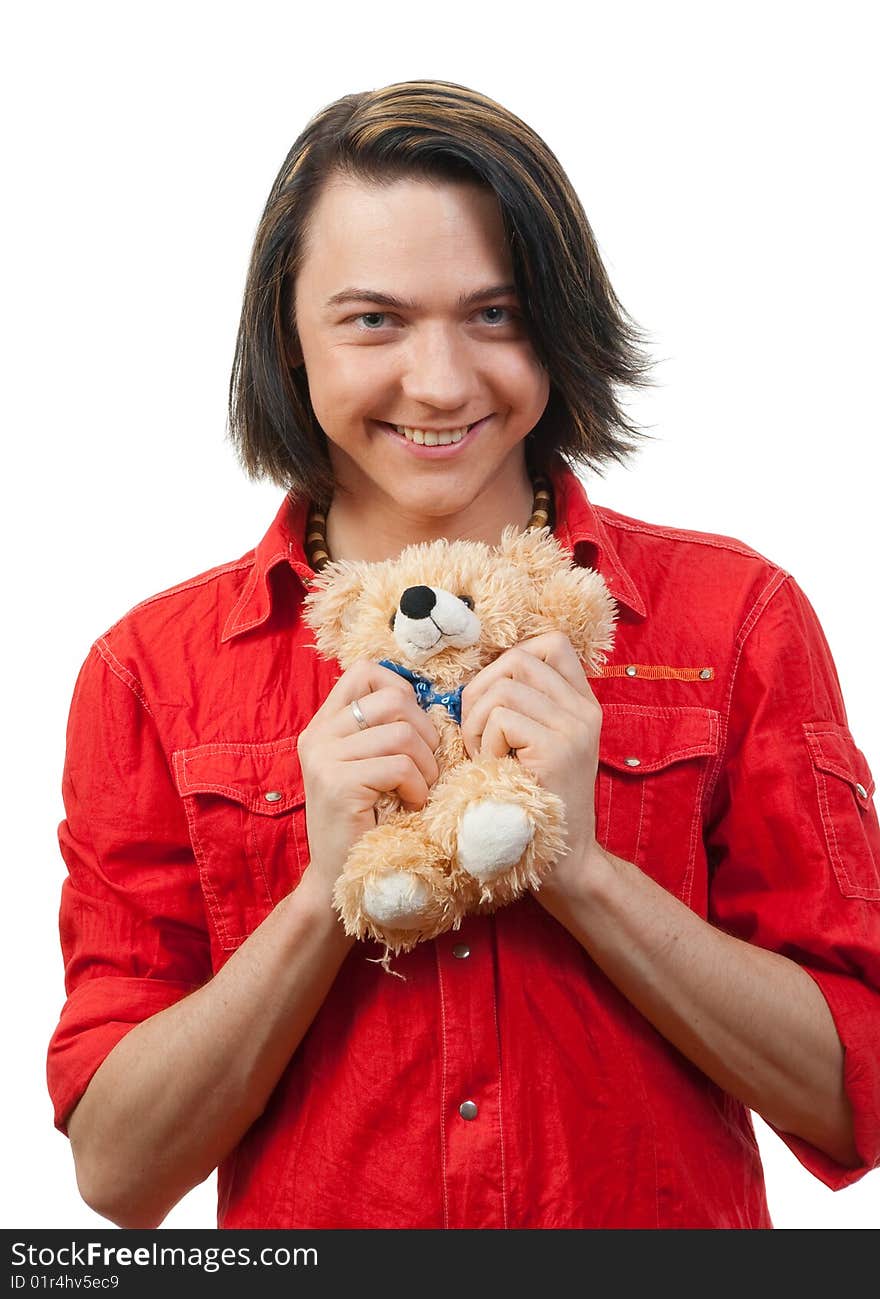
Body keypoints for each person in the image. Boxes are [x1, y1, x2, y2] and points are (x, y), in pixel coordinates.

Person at [47, 78, 880, 1230]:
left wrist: (585, 873)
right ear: (287, 339)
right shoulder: (150, 670)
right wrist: (317, 899)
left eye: (493, 314)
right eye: (373, 319)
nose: (440, 384)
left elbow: (850, 1103)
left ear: (559, 324)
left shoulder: (734, 620)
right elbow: (119, 1175)